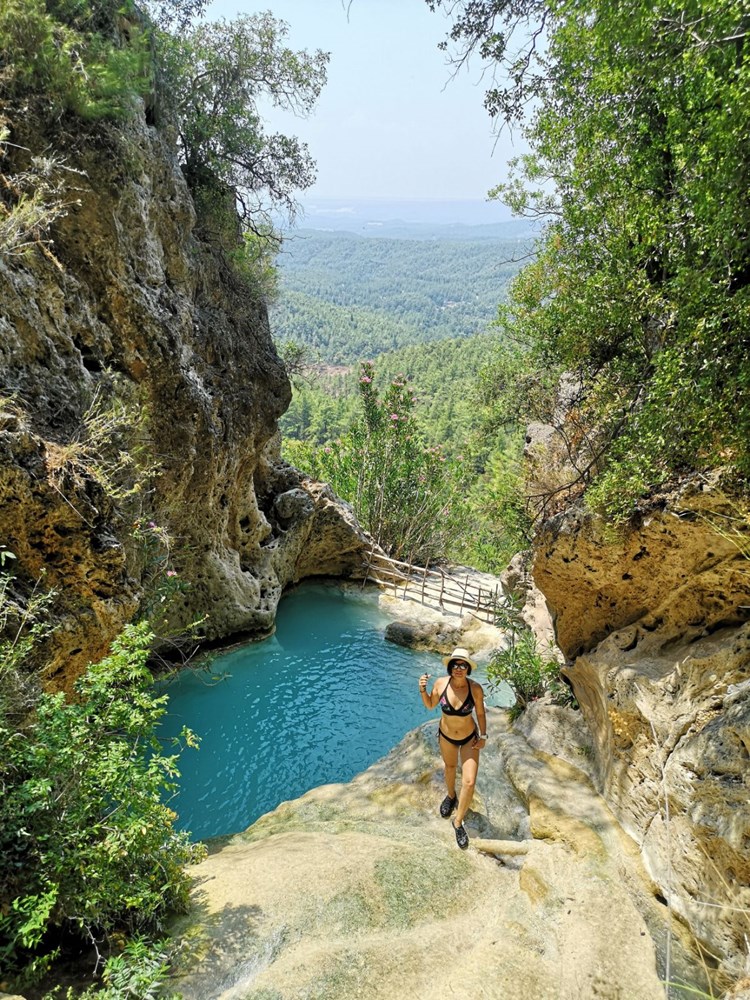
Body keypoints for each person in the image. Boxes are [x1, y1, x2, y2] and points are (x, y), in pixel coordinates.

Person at [418, 646, 486, 849]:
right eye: (455, 664)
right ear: (450, 667)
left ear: (468, 669)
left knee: (469, 781)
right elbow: (430, 705)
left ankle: (458, 822)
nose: (458, 668)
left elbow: (481, 714)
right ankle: (450, 796)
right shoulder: (441, 683)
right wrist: (423, 689)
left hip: (469, 738)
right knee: (449, 768)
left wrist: (483, 735)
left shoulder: (475, 689)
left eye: (463, 665)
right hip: (446, 736)